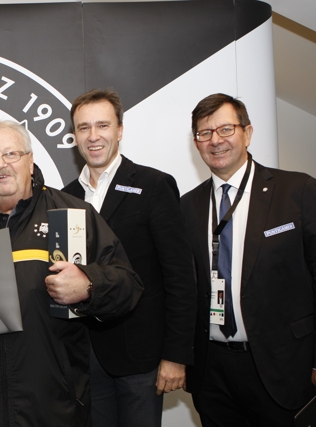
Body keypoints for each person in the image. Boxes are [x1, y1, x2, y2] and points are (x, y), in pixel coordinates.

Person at [0, 120, 144, 426]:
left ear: (30, 161)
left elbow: (129, 286)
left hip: (56, 407)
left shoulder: (71, 215)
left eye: (11, 154)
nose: (1, 165)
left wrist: (90, 286)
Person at [62, 89, 196, 427]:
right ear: (74, 135)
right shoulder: (65, 197)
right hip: (86, 357)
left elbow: (180, 276)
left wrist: (175, 356)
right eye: (83, 128)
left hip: (142, 357)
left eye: (102, 125)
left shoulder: (153, 186)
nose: (93, 137)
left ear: (119, 130)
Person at [182, 93, 316, 426]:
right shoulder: (186, 208)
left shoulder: (296, 191)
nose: (215, 140)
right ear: (196, 143)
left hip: (284, 366)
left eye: (225, 129)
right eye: (204, 133)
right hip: (212, 373)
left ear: (248, 133)